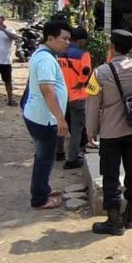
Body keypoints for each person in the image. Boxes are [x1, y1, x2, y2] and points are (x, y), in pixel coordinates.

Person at [86, 16, 132, 235]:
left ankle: (114, 221)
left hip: (109, 133)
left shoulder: (99, 73)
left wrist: (91, 133)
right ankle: (131, 217)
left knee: (110, 176)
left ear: (112, 47)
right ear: (130, 48)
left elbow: (92, 105)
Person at [23, 20, 71, 209]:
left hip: (39, 114)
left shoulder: (45, 55)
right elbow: (47, 90)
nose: (67, 42)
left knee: (43, 156)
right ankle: (40, 199)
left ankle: (42, 188)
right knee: (45, 158)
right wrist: (60, 118)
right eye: (64, 38)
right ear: (50, 38)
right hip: (44, 118)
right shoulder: (45, 59)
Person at [57, 27, 92, 169]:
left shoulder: (59, 53)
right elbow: (86, 71)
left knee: (61, 125)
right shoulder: (83, 54)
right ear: (81, 41)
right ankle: (72, 159)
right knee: (76, 129)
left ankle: (58, 153)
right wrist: (80, 83)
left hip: (61, 95)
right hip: (78, 96)